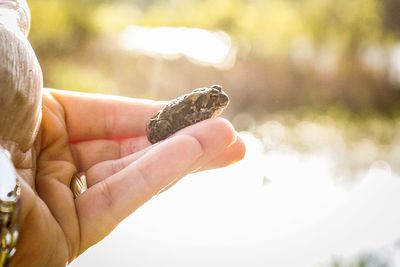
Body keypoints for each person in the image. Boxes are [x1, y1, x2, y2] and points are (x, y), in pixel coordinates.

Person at [7, 88, 245, 266]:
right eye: (214, 98)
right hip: (164, 123)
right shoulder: (197, 106)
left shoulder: (200, 104)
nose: (219, 100)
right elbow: (180, 115)